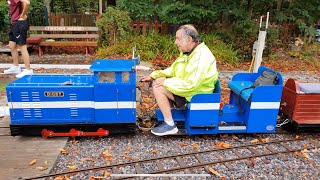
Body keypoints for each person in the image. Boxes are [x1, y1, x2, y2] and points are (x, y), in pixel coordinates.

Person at [140, 24, 219, 136]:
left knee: (158, 86)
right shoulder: (189, 53)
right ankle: (172, 113)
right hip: (190, 89)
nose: (175, 42)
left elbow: (191, 85)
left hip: (196, 94)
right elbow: (173, 70)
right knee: (160, 80)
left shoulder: (201, 57)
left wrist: (165, 82)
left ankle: (170, 124)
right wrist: (154, 75)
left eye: (178, 39)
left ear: (189, 40)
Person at [4, 0, 32, 78]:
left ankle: (28, 70)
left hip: (20, 23)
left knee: (22, 46)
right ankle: (16, 67)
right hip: (14, 24)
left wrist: (22, 14)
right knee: (12, 45)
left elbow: (27, 2)